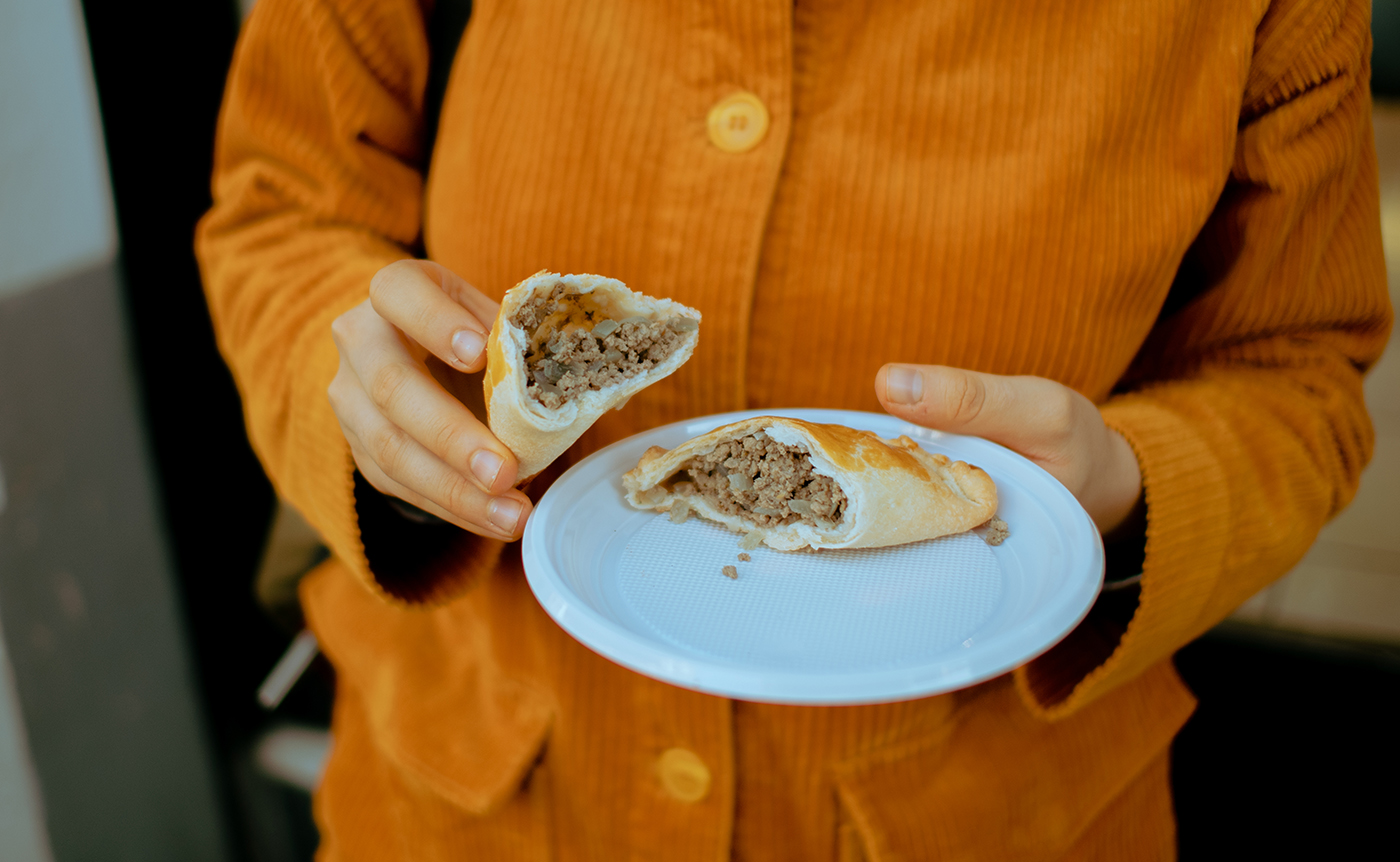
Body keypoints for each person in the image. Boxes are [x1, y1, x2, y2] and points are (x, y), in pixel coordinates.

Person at [196, 0, 1392, 857]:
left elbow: (1295, 370)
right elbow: (280, 211)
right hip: (462, 814)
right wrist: (363, 393)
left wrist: (1129, 489)